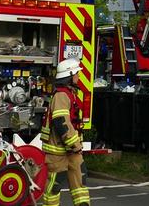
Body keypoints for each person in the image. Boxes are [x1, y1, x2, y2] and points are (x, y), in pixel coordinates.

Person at [40, 58, 90, 206]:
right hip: (58, 152)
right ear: (70, 75)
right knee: (54, 187)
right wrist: (75, 144)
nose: (79, 77)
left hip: (72, 151)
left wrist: (75, 146)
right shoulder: (61, 95)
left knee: (80, 183)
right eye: (77, 74)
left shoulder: (70, 93)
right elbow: (61, 123)